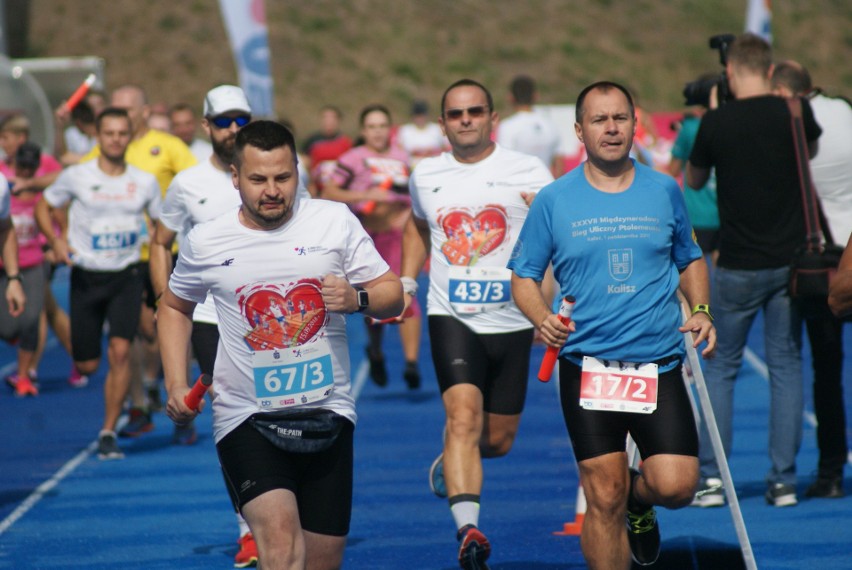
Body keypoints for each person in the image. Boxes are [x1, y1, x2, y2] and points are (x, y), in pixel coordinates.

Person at [158, 120, 403, 569]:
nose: (271, 190)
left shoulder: (332, 221)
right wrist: (176, 383)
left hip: (328, 414)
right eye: (257, 180)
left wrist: (356, 298)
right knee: (281, 546)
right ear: (236, 178)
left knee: (321, 561)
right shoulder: (206, 241)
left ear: (298, 172)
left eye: (282, 177)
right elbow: (174, 307)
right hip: (246, 417)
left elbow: (392, 290)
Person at [509, 80, 715, 569]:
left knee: (677, 485)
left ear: (634, 124)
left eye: (620, 117)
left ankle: (640, 505)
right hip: (588, 366)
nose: (611, 128)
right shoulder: (554, 200)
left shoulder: (664, 189)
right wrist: (541, 317)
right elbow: (523, 277)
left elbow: (690, 259)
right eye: (599, 120)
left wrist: (702, 310)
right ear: (580, 131)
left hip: (657, 363)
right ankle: (622, 509)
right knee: (604, 494)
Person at [400, 78, 553, 568]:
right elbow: (418, 224)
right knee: (462, 417)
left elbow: (557, 234)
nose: (465, 120)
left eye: (475, 111)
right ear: (443, 123)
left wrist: (550, 302)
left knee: (498, 442)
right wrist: (407, 280)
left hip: (514, 319)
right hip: (453, 316)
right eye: (456, 113)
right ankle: (468, 531)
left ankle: (455, 458)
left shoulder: (528, 170)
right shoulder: (426, 174)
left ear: (492, 118)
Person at [686, 33, 822, 508]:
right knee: (786, 364)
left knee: (721, 367)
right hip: (790, 262)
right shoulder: (793, 113)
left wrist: (717, 113)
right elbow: (810, 157)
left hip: (738, 261)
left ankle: (713, 478)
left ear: (728, 72)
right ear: (768, 69)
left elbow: (694, 180)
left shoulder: (718, 121)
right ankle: (783, 479)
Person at [151, 84, 260, 567]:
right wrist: (167, 299)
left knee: (273, 409)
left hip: (268, 314)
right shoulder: (188, 184)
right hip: (211, 317)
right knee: (232, 412)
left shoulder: (273, 175)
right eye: (223, 122)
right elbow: (160, 241)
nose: (233, 129)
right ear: (206, 127)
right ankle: (248, 529)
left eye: (241, 120)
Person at [35, 107, 161, 460]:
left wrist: (156, 245)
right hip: (87, 276)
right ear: (98, 137)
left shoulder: (144, 181)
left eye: (122, 133)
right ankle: (99, 382)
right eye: (109, 134)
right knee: (87, 364)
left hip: (127, 274)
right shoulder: (77, 176)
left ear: (130, 136)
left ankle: (108, 430)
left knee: (121, 351)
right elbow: (44, 206)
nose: (116, 139)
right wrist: (57, 241)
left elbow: (160, 225)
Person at [83, 84, 197, 437]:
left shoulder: (169, 146)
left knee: (173, 325)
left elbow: (198, 183)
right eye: (113, 110)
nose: (117, 117)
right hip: (126, 259)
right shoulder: (107, 147)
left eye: (126, 110)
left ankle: (182, 404)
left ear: (144, 112)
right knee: (130, 331)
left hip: (166, 252)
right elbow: (74, 176)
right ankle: (139, 404)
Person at [772, 60, 852, 499]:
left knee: (824, 370)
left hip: (819, 261)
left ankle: (830, 471)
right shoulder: (844, 109)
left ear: (785, 92)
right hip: (851, 244)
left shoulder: (793, 122)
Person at [324, 104, 422, 389]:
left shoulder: (404, 158)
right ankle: (376, 351)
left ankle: (412, 363)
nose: (378, 132)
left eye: (382, 126)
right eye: (372, 127)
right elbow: (329, 191)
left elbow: (417, 193)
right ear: (363, 131)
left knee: (406, 292)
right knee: (375, 297)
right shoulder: (353, 158)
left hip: (400, 236)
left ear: (389, 130)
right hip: (368, 237)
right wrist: (365, 193)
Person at [0, 143, 48, 397]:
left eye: (32, 167)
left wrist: (14, 277)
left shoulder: (38, 191)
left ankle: (23, 376)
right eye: (22, 165)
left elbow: (6, 228)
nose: (26, 171)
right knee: (7, 330)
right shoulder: (5, 183)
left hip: (30, 264)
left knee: (31, 320)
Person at [669, 75, 720, 264]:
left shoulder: (690, 128)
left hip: (697, 214)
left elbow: (673, 169)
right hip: (725, 214)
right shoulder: (730, 121)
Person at [496, 75, 564, 177]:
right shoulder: (550, 124)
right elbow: (559, 163)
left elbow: (504, 163)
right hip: (546, 186)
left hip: (520, 189)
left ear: (510, 97)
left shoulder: (507, 126)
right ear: (535, 96)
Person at [0, 113, 63, 193]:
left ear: (21, 138)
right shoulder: (1, 167)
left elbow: (62, 177)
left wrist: (28, 183)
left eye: (5, 138)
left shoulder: (45, 161)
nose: (1, 143)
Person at [301, 106, 352, 196]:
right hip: (317, 190)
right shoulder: (312, 141)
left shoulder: (346, 142)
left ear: (338, 121)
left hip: (339, 190)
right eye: (325, 118)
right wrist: (310, 183)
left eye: (332, 119)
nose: (329, 122)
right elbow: (305, 164)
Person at [395, 99, 446, 168]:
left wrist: (431, 151)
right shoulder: (405, 130)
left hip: (434, 165)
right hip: (411, 166)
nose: (420, 118)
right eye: (417, 115)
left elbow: (445, 147)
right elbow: (399, 149)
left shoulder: (436, 129)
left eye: (422, 115)